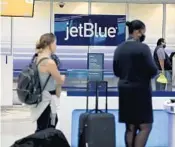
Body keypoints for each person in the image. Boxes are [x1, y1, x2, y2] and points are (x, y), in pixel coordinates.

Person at [113, 20, 158, 147]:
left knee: (130, 127)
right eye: (143, 32)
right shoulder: (143, 48)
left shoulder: (119, 48)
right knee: (145, 126)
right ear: (138, 32)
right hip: (141, 91)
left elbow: (116, 71)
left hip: (124, 91)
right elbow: (153, 70)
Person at [31, 33, 65, 132]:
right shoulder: (49, 62)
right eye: (55, 43)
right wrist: (63, 77)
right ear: (50, 45)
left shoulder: (37, 58)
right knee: (47, 129)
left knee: (42, 127)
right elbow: (59, 79)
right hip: (47, 101)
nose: (56, 46)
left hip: (40, 99)